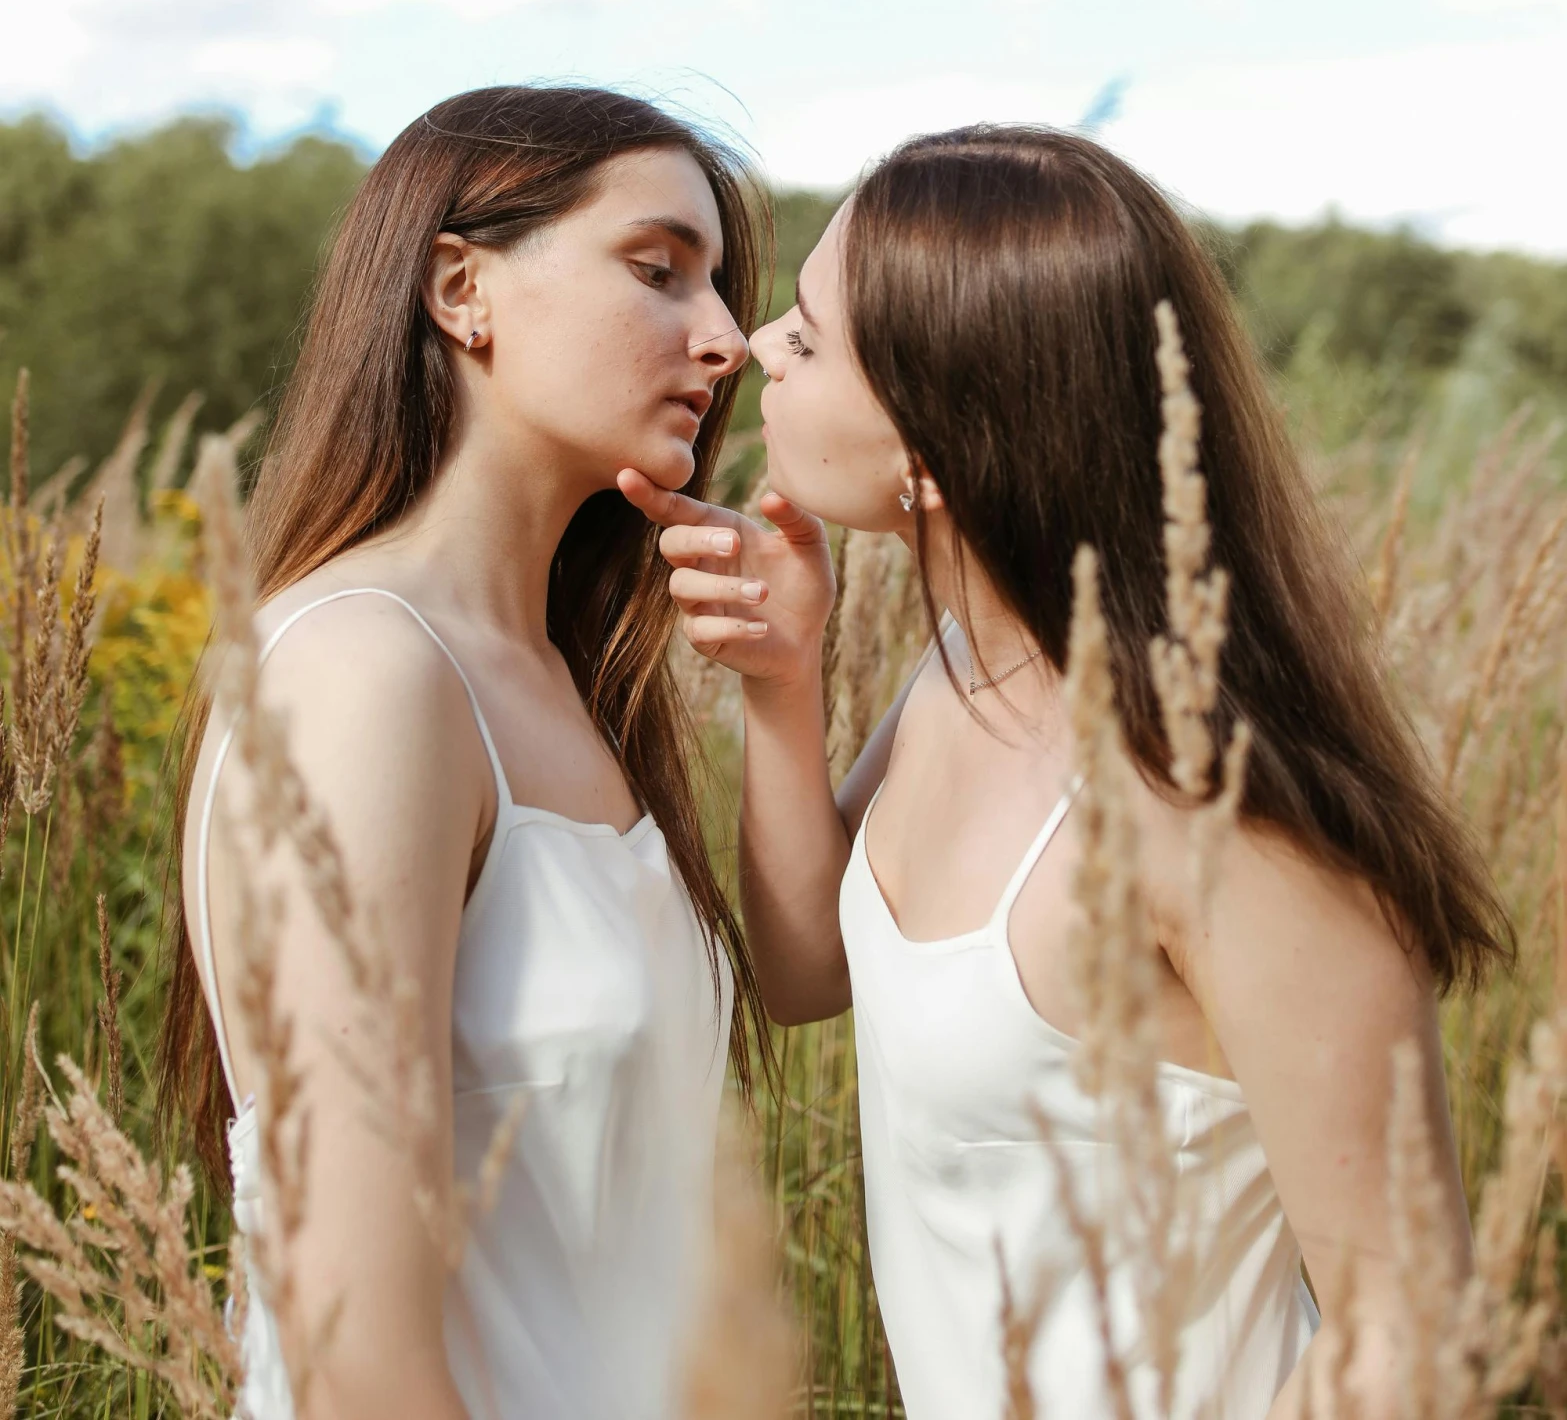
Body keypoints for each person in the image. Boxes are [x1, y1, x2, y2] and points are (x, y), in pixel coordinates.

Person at [623, 124, 1508, 1420]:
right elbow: (810, 969)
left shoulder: (1206, 805)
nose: (755, 346)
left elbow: (1407, 1338)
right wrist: (782, 680)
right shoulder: (958, 689)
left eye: (807, 338)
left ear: (929, 449)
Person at [159, 84, 768, 1420]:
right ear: (460, 288)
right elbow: (352, 1350)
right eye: (658, 270)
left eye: (718, 288)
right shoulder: (364, 674)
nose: (724, 339)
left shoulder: (560, 680)